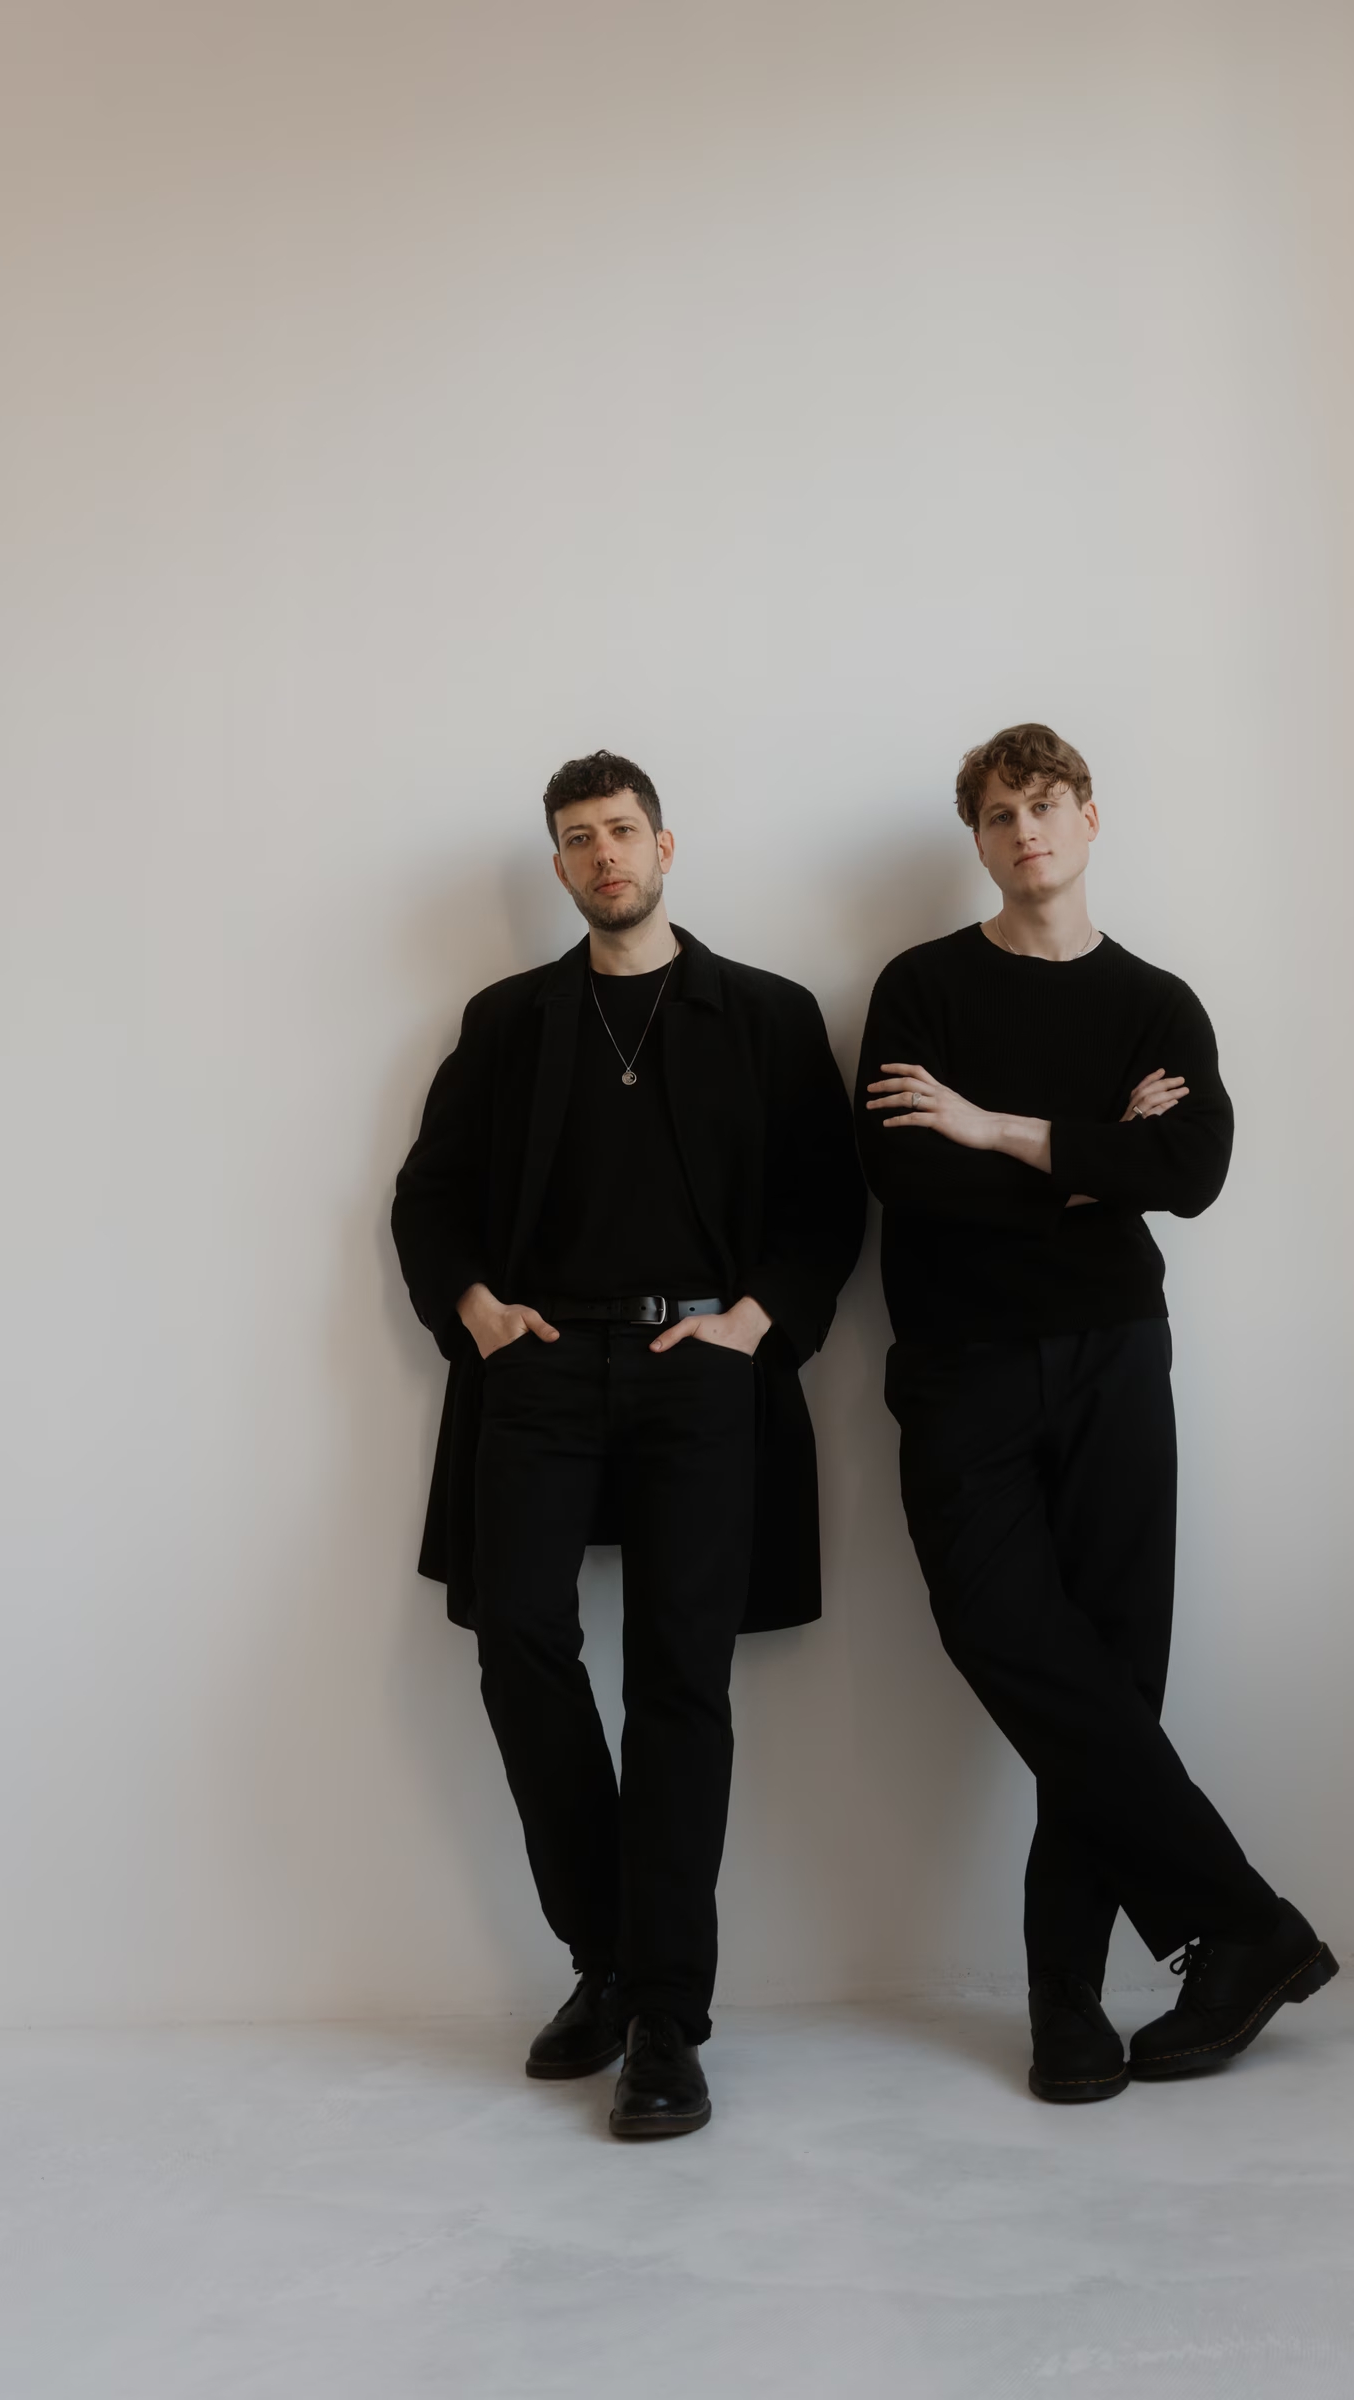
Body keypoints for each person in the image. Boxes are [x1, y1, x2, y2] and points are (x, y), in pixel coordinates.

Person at [855, 722, 1335, 2102]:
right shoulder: (923, 989)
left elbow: (1190, 1169)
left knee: (1112, 1676)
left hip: (1118, 1354)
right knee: (1011, 1639)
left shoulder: (1158, 1004)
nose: (1027, 832)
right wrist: (1091, 1159)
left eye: (1047, 805)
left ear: (1091, 819)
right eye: (1001, 814)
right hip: (963, 1363)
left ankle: (1065, 2004)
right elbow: (905, 1177)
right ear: (981, 839)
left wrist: (999, 1130)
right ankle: (1245, 1928)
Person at [393, 750, 864, 2139]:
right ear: (557, 867)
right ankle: (608, 1954)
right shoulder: (510, 1021)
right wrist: (472, 1306)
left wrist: (759, 1323)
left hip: (698, 1370)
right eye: (578, 840)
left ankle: (664, 2017)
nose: (605, 857)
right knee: (518, 1637)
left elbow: (829, 1203)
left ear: (668, 845)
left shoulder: (766, 1016)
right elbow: (429, 1198)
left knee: (681, 1684)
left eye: (622, 833)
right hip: (537, 1368)